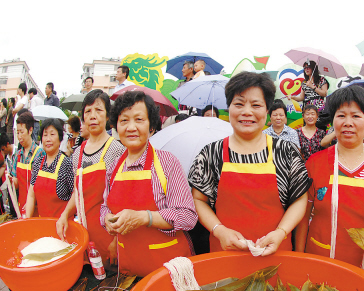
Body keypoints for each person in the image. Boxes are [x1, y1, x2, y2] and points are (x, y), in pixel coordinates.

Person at [189, 72, 310, 255]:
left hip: (277, 254)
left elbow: (300, 199)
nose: (247, 112)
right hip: (224, 256)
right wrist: (219, 230)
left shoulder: (286, 152)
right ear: (228, 108)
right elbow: (198, 200)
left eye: (256, 105)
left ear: (267, 110)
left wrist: (281, 232)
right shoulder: (211, 153)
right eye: (239, 104)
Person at [296, 85, 364, 272]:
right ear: (332, 122)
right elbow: (302, 217)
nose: (348, 122)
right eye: (341, 116)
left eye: (356, 116)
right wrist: (300, 259)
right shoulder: (316, 162)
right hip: (321, 258)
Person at [100, 90, 197, 277]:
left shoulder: (167, 163)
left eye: (139, 119)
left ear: (151, 127)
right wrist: (106, 220)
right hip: (129, 267)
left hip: (168, 269)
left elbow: (187, 217)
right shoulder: (114, 167)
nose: (131, 127)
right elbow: (104, 207)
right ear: (116, 127)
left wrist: (145, 218)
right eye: (124, 121)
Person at [57, 90, 126, 267]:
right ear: (83, 118)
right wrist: (65, 214)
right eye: (88, 111)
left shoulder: (116, 149)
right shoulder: (78, 152)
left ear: (108, 116)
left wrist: (117, 240)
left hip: (108, 234)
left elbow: (123, 199)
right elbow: (77, 191)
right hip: (84, 233)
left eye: (98, 110)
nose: (93, 116)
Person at [25, 119, 73, 218]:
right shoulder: (38, 163)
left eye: (52, 134)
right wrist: (27, 220)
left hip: (63, 226)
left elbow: (75, 196)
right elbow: (31, 194)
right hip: (43, 225)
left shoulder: (67, 164)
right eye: (45, 135)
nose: (48, 139)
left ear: (60, 139)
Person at [11, 112, 45, 216]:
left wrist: (31, 202)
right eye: (17, 132)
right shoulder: (17, 155)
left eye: (22, 132)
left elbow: (42, 185)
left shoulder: (39, 153)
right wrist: (11, 180)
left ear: (30, 130)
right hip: (21, 205)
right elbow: (16, 183)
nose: (19, 136)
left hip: (36, 207)